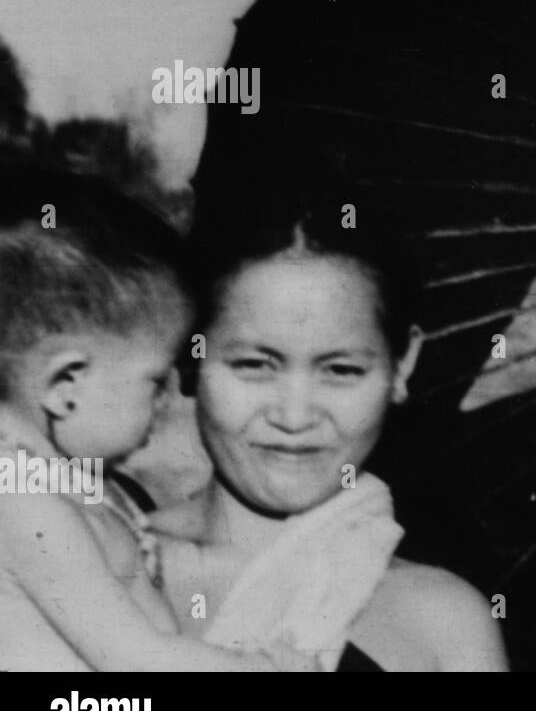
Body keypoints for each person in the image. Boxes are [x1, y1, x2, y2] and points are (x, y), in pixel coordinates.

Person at [150, 188, 508, 671]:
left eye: (340, 371)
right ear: (188, 353)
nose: (295, 419)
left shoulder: (442, 622)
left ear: (402, 366)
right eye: (254, 365)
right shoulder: (92, 568)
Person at [0, 170, 312, 671]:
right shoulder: (20, 499)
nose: (168, 400)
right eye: (155, 379)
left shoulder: (75, 484)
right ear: (67, 384)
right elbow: (136, 660)